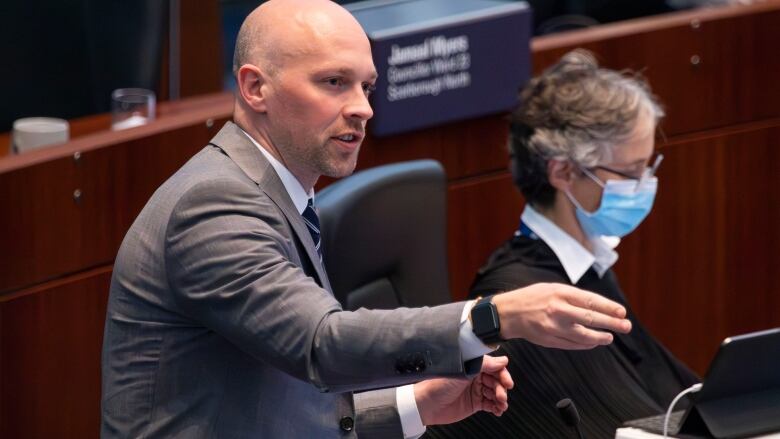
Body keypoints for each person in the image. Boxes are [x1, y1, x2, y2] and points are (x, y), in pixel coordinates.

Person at [100, 2, 632, 438]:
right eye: (334, 82)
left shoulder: (281, 197)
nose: (362, 108)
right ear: (255, 88)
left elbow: (287, 410)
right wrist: (490, 317)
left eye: (366, 87)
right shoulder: (213, 204)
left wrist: (416, 405)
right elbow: (322, 344)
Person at [425, 50, 700, 439]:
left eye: (648, 168)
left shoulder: (589, 269)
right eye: (632, 172)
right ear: (564, 172)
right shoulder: (519, 299)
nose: (645, 185)